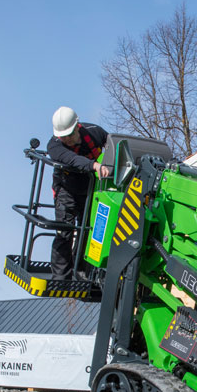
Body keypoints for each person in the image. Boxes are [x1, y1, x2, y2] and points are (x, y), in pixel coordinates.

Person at [46, 106, 110, 280]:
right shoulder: (54, 145)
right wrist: (94, 165)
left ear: (78, 127)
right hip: (66, 189)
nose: (65, 139)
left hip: (90, 188)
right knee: (65, 230)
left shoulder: (94, 132)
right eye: (62, 136)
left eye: (68, 135)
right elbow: (73, 159)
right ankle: (60, 277)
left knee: (88, 230)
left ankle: (82, 271)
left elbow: (114, 145)